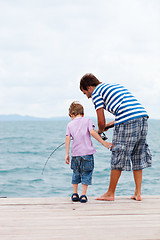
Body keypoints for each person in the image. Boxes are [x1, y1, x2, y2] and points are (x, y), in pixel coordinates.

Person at [80, 73, 152, 201]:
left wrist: (100, 130)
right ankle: (138, 193)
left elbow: (100, 122)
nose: (87, 97)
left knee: (117, 154)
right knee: (137, 155)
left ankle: (110, 193)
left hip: (128, 121)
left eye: (85, 93)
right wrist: (109, 125)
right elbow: (128, 111)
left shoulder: (96, 94)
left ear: (89, 87)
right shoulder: (115, 86)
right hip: (142, 117)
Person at [65, 101, 113, 203]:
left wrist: (66, 154)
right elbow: (92, 132)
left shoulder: (69, 124)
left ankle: (74, 194)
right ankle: (83, 195)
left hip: (75, 154)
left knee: (76, 173)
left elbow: (67, 138)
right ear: (83, 114)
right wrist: (103, 142)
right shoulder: (88, 121)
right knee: (86, 173)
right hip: (87, 154)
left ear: (71, 115)